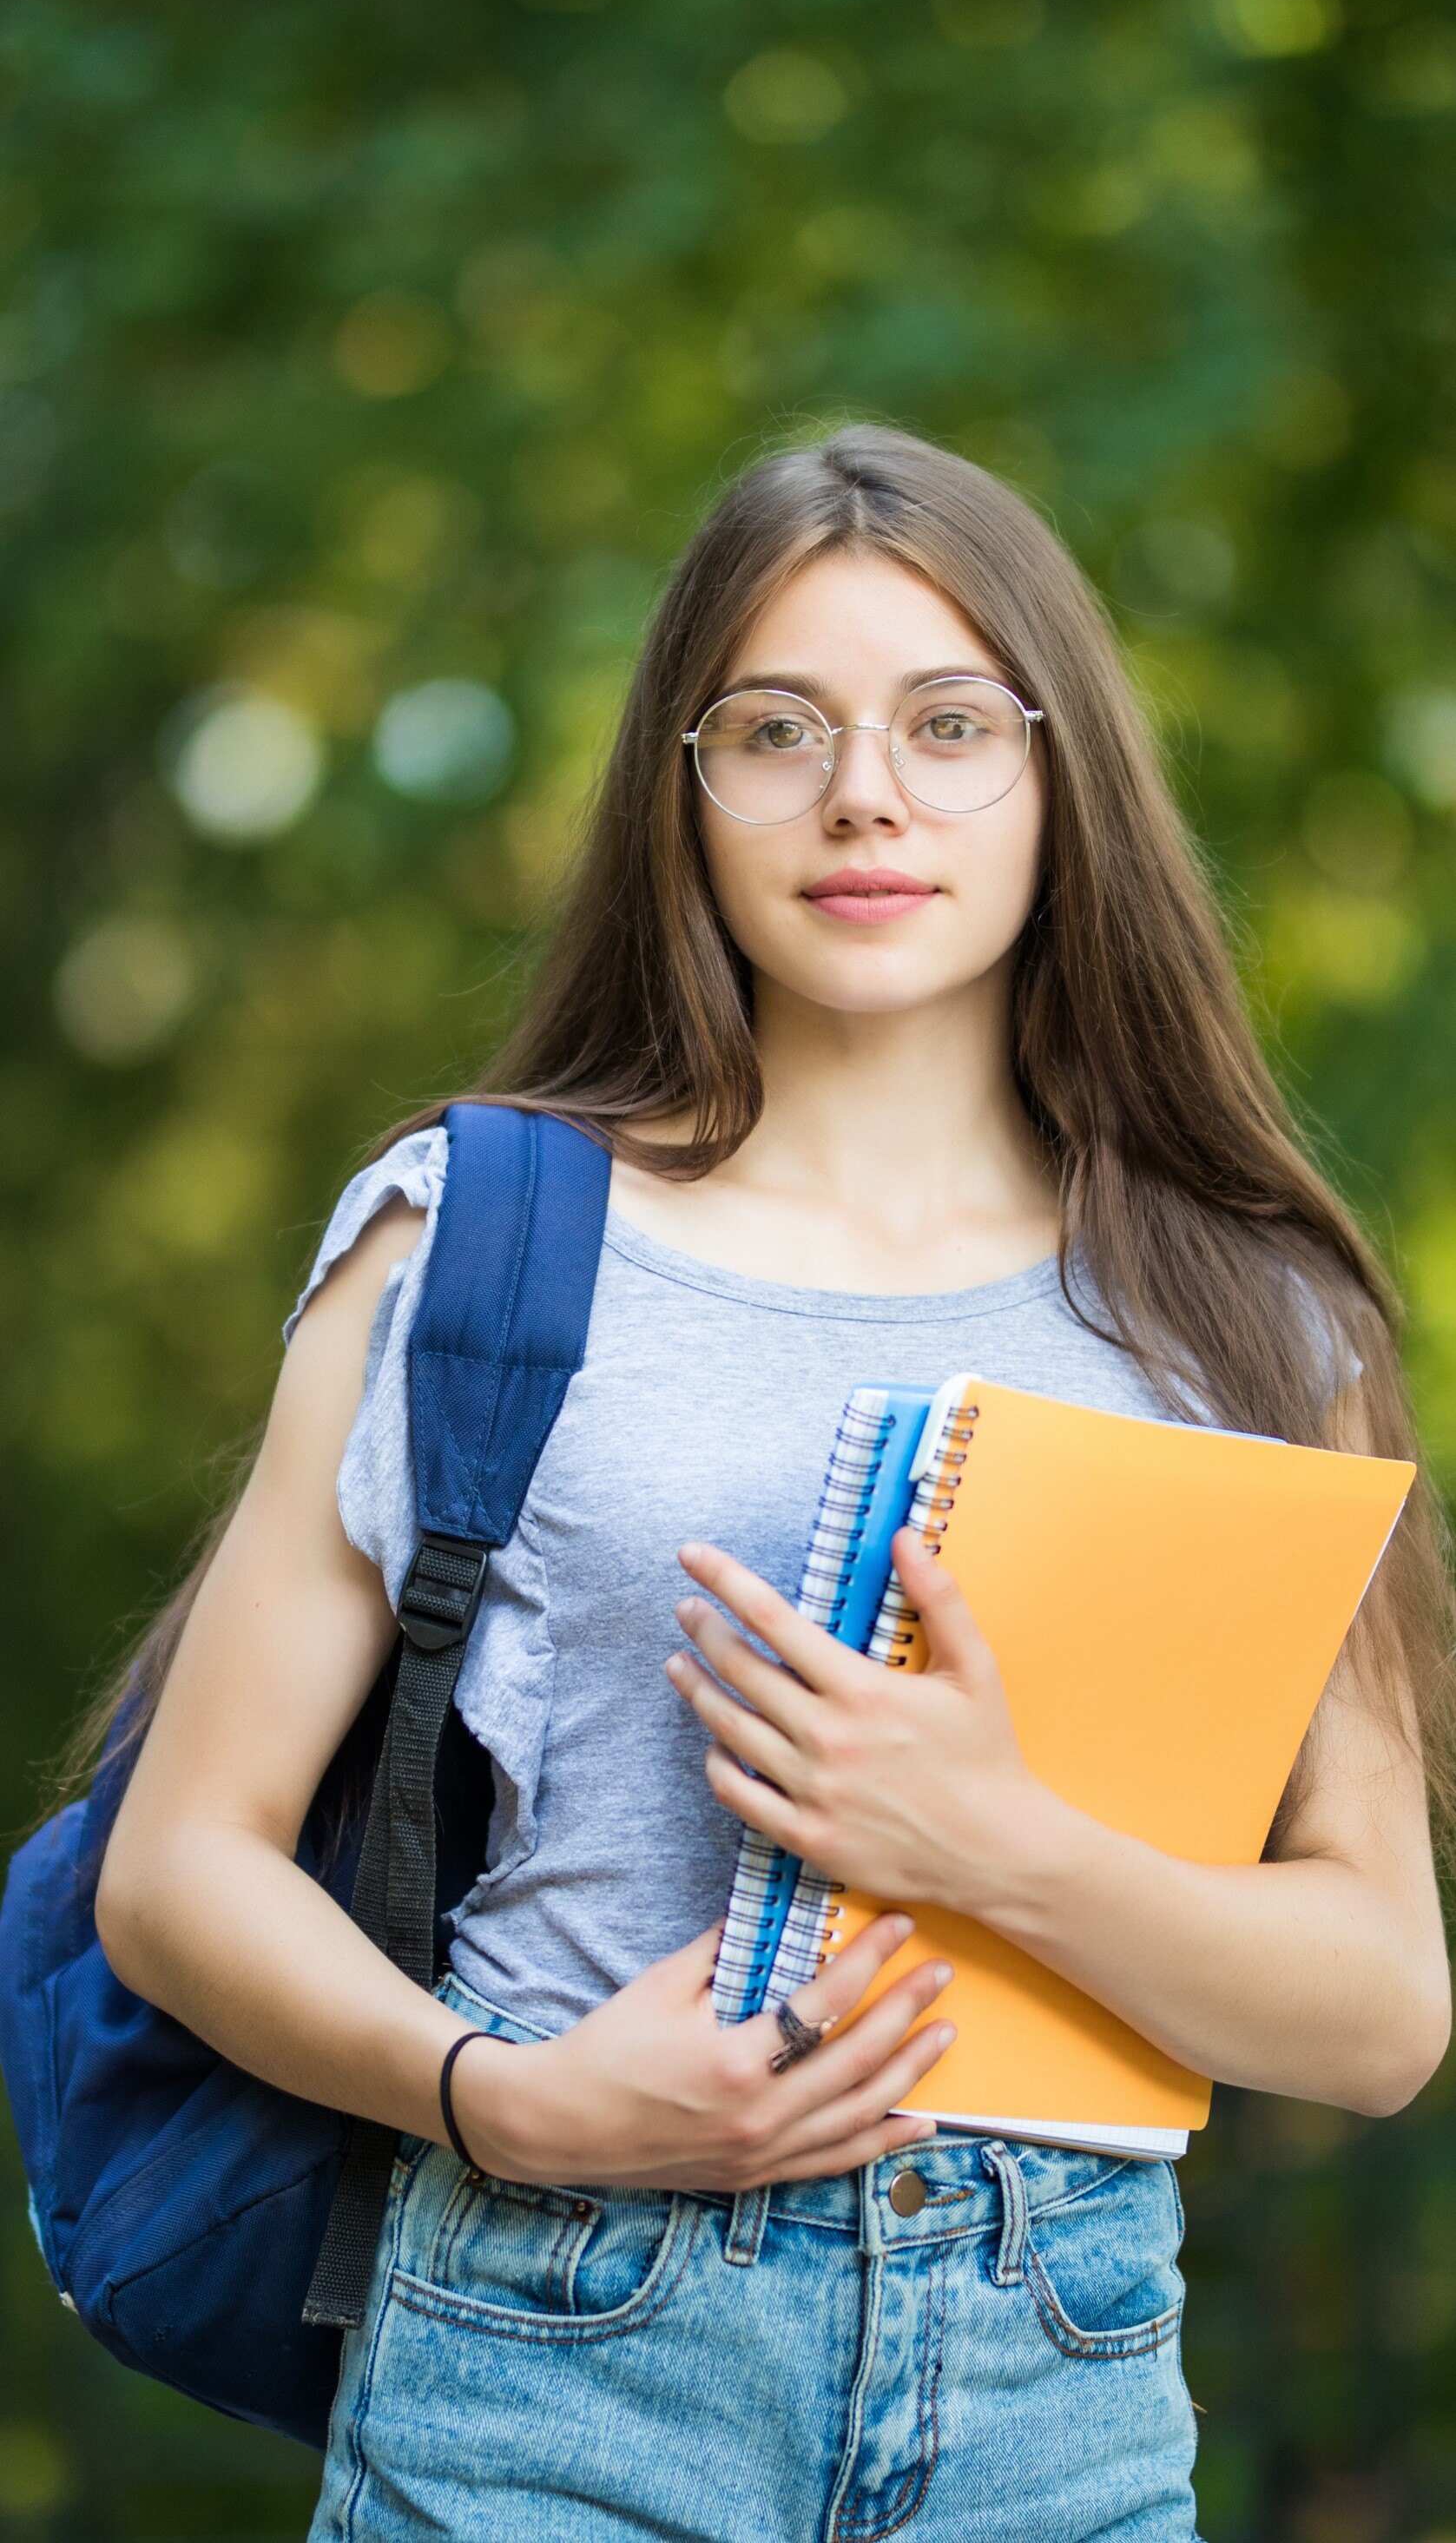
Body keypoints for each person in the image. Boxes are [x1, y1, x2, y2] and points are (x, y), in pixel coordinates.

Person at [92, 426, 1451, 2541]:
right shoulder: (475, 1241)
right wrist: (510, 2102)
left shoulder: (1250, 1319)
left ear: (1056, 775)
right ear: (681, 788)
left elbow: (1376, 2013)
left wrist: (992, 1844)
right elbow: (179, 1873)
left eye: (945, 724)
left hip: (1054, 2391)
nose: (862, 796)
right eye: (774, 730)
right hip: (548, 2361)